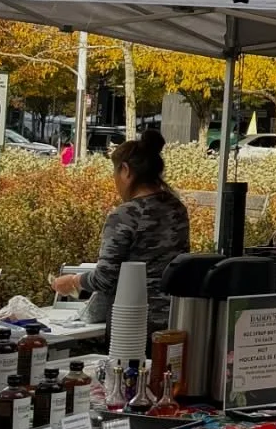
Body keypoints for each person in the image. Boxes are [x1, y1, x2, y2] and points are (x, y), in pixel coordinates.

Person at [49, 130, 190, 343]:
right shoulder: (177, 208)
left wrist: (73, 281)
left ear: (125, 170)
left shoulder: (125, 215)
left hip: (132, 323)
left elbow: (105, 278)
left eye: (114, 172)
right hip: (175, 320)